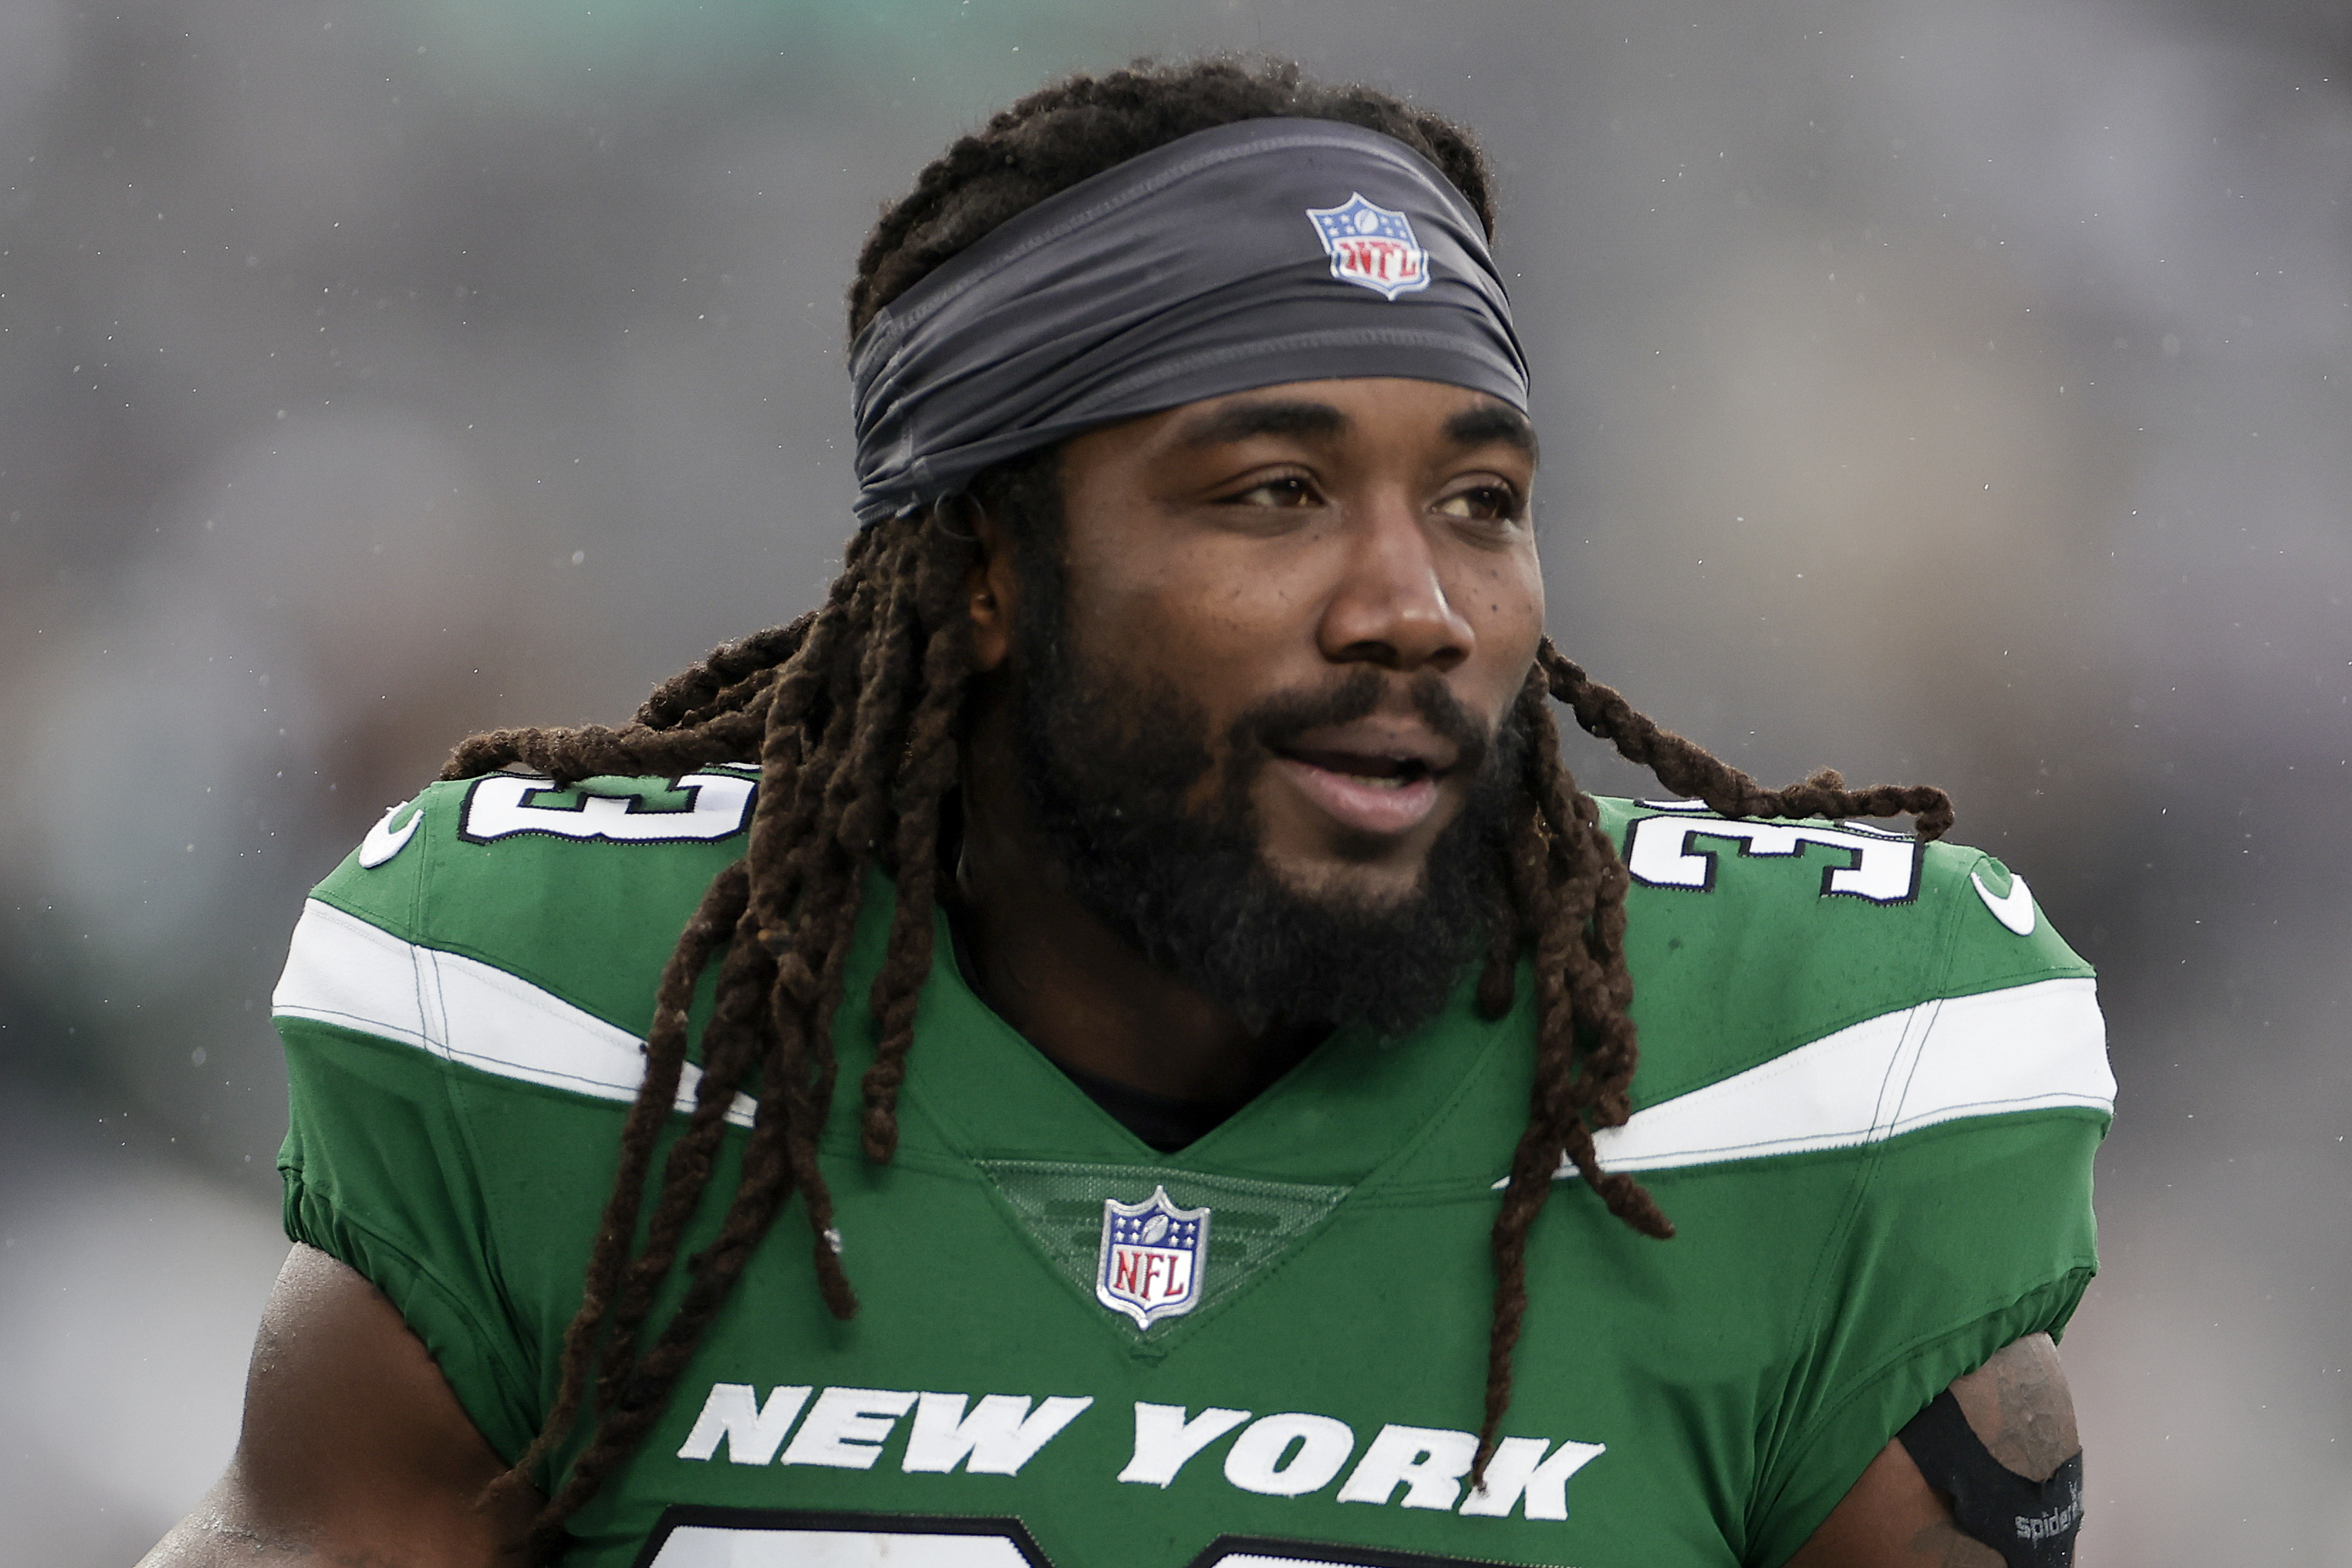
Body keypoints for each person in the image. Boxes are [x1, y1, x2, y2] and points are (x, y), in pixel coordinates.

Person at [143, 58, 2110, 1568]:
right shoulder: (575, 1035)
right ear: (990, 570)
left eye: (1480, 502)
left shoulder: (1812, 1091)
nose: (1416, 607)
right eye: (1275, 493)